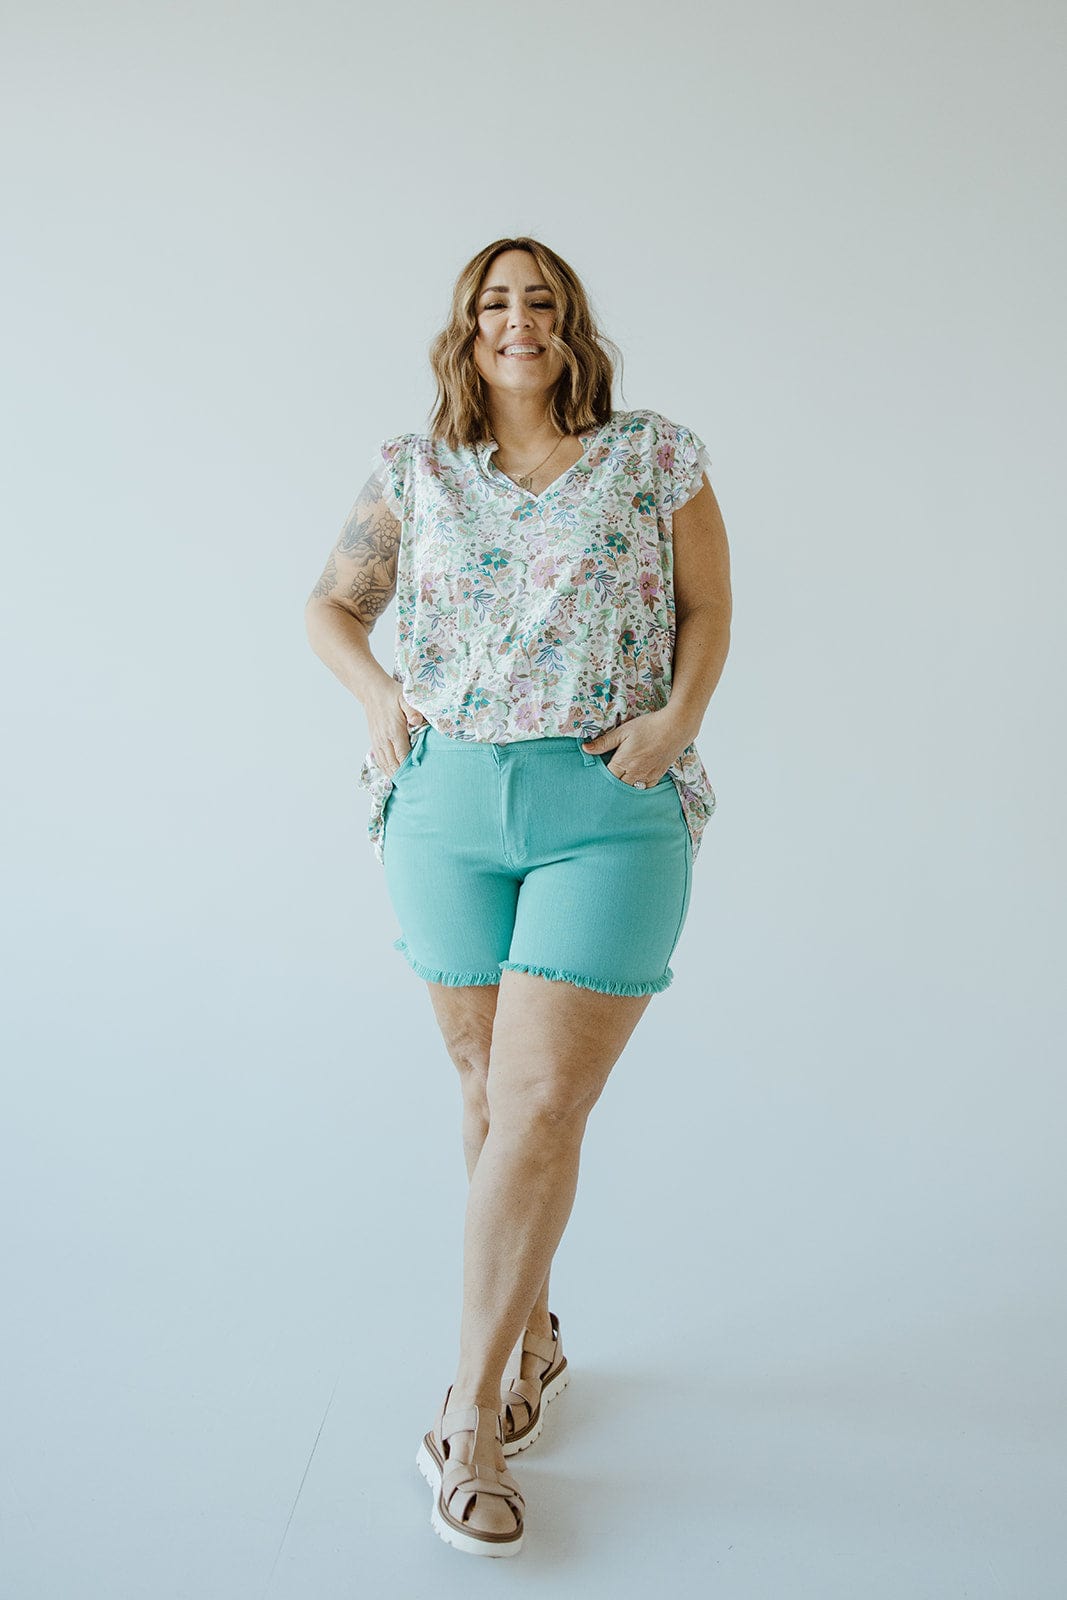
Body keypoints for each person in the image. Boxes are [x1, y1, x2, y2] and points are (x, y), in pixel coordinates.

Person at [304, 235, 732, 1558]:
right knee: (492, 1093)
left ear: (572, 322)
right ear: (465, 326)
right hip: (442, 806)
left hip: (607, 806)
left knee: (544, 1100)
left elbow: (710, 608)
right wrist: (380, 701)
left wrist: (675, 720)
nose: (519, 320)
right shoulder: (414, 470)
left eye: (541, 300)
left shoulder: (653, 453)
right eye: (495, 301)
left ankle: (471, 1415)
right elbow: (330, 605)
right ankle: (534, 1335)